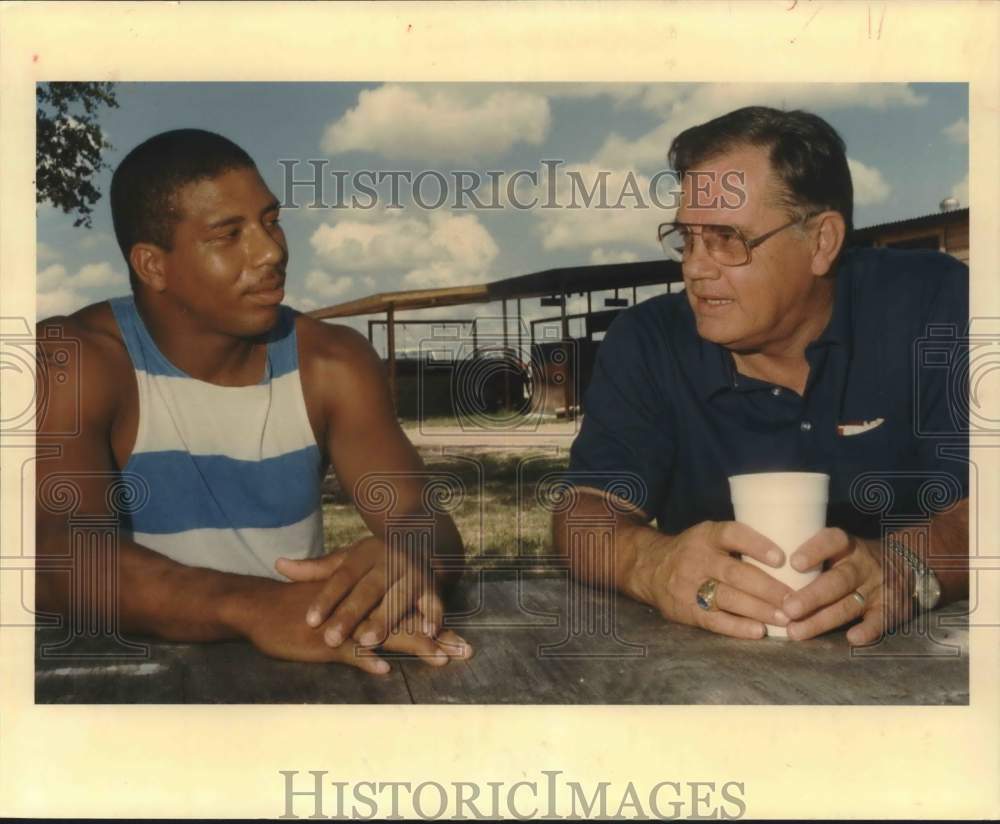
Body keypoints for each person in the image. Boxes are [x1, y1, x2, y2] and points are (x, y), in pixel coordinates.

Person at [35, 129, 471, 673]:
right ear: (153, 266)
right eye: (229, 234)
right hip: (126, 681)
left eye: (271, 220)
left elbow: (420, 516)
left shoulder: (332, 363)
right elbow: (55, 554)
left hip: (305, 667)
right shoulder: (75, 360)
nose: (272, 251)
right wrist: (256, 609)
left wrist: (406, 561)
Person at [556, 106, 969, 645]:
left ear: (821, 241)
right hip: (719, 670)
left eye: (727, 238)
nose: (694, 267)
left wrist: (907, 566)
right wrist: (650, 563)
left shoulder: (935, 305)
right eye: (687, 238)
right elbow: (583, 512)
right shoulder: (649, 340)